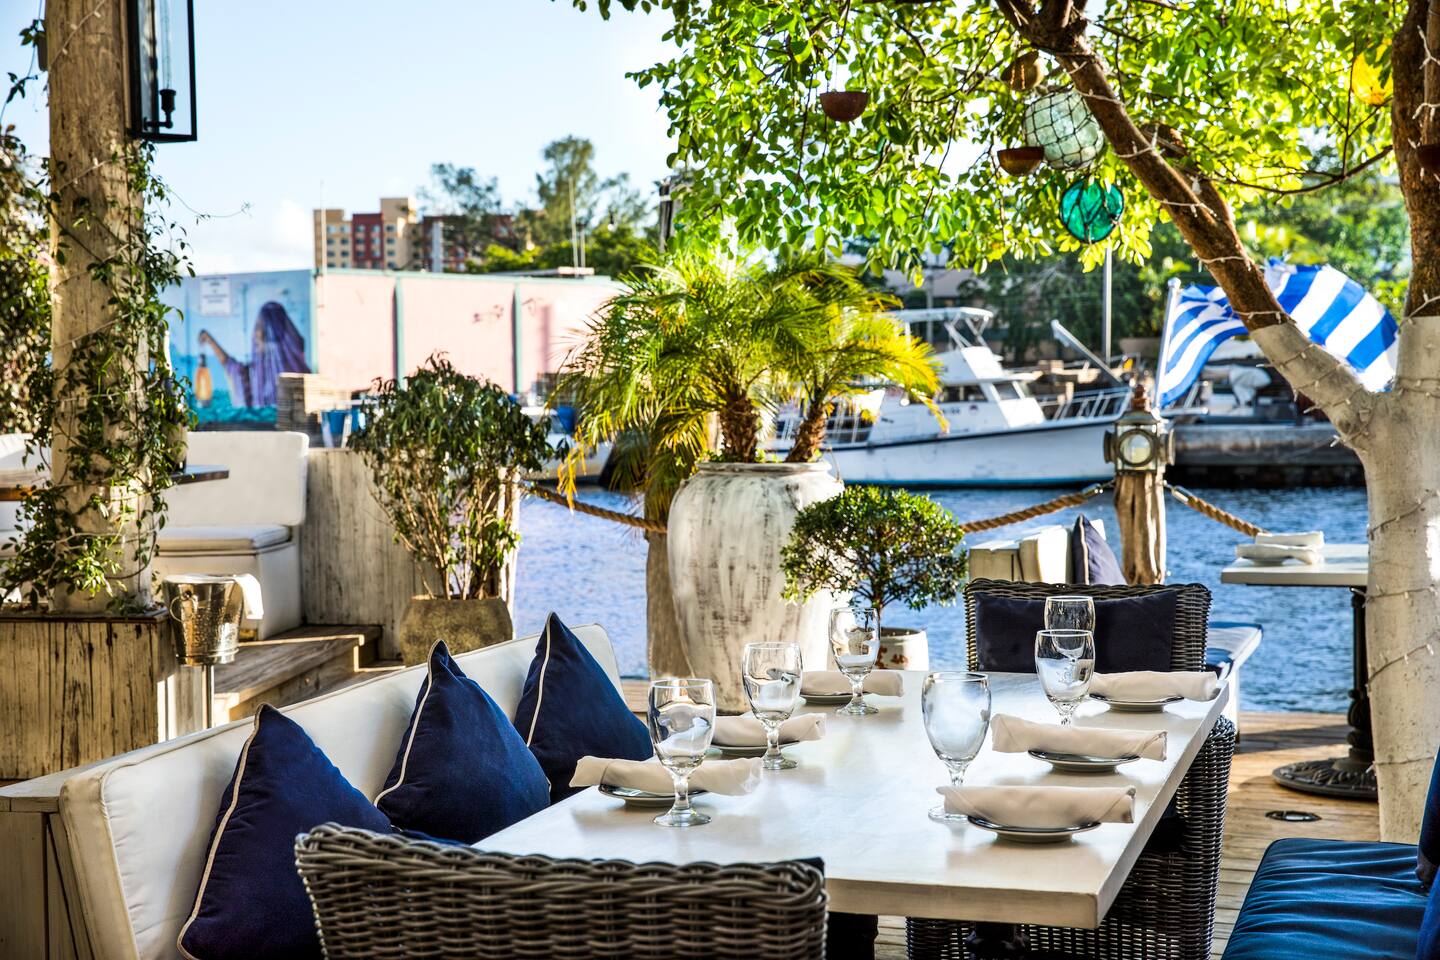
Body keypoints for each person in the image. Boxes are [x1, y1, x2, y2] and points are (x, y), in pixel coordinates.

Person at [198, 301, 311, 408]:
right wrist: (210, 340)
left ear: (272, 335)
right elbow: (232, 367)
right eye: (256, 328)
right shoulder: (257, 372)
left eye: (258, 327)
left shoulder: (294, 373)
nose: (255, 334)